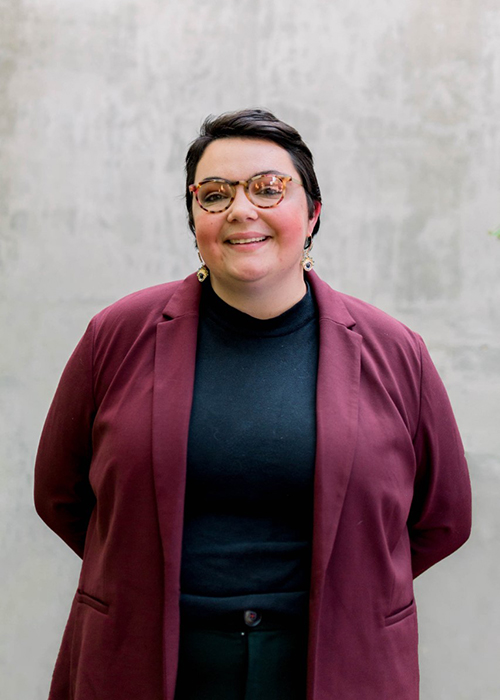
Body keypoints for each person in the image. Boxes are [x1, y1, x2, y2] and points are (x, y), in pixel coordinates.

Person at [34, 109, 472, 700]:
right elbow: (60, 494)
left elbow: (442, 517)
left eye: (269, 188)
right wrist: (143, 574)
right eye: (214, 195)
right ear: (194, 221)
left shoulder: (395, 351)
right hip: (152, 661)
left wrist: (351, 587)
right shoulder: (117, 336)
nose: (242, 210)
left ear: (313, 213)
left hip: (330, 664)